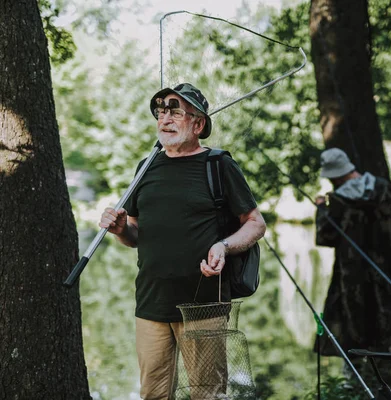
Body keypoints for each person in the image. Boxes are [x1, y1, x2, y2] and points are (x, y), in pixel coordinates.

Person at [99, 83, 266, 399]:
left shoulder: (219, 166)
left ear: (198, 124)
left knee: (208, 395)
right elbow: (134, 235)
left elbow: (255, 224)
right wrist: (121, 229)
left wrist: (224, 246)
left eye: (175, 111)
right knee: (154, 395)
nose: (165, 119)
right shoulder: (145, 167)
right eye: (161, 112)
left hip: (204, 305)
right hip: (151, 304)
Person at [314, 147, 391, 380]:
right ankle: (389, 375)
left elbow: (326, 237)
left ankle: (354, 380)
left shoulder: (338, 201)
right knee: (386, 319)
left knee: (354, 323)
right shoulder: (383, 187)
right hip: (386, 270)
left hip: (351, 275)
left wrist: (321, 209)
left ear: (335, 175)